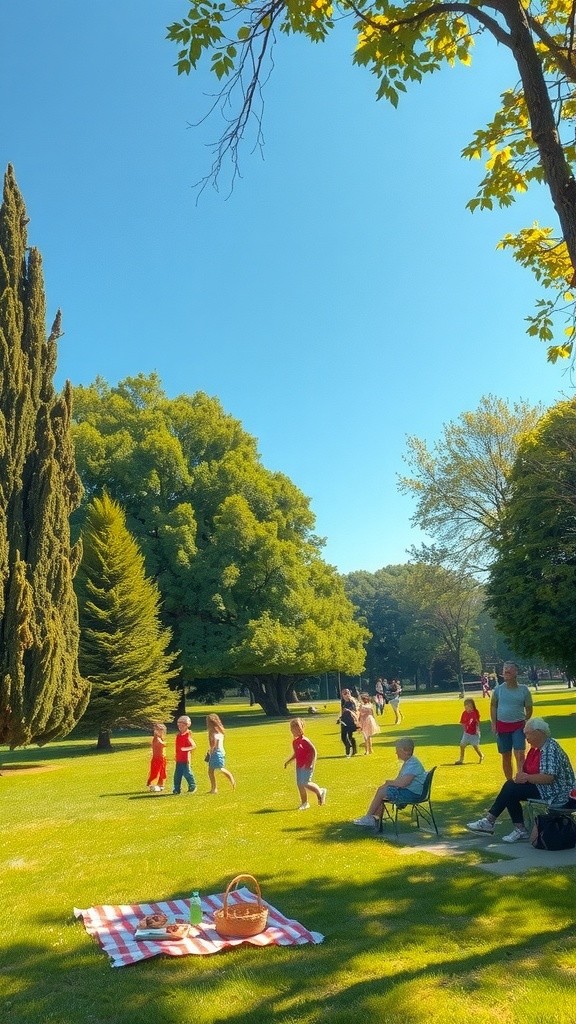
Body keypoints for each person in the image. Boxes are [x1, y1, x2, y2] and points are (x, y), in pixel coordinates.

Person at [466, 717, 575, 842]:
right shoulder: (542, 747)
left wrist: (526, 778)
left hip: (556, 793)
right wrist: (522, 777)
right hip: (548, 788)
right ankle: (509, 827)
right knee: (511, 787)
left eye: (528, 734)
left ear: (538, 733)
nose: (526, 738)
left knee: (511, 789)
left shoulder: (550, 749)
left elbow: (548, 778)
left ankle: (493, 822)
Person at [353, 737, 427, 828]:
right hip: (411, 792)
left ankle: (369, 817)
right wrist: (389, 784)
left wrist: (389, 783)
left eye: (397, 750)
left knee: (382, 791)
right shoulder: (411, 762)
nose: (396, 753)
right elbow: (402, 782)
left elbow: (403, 783)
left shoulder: (413, 764)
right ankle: (374, 819)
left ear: (405, 751)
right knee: (383, 791)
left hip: (413, 795)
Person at [491, 662, 533, 780]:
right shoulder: (498, 690)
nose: (506, 671)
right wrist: (494, 722)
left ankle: (520, 778)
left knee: (520, 754)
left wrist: (526, 721)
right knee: (506, 755)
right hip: (502, 726)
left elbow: (529, 708)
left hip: (519, 726)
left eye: (509, 668)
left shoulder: (524, 690)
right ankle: (509, 782)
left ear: (516, 672)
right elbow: (493, 706)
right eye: (505, 668)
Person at [283, 718, 327, 810]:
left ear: (301, 728)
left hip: (307, 765)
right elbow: (296, 754)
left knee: (306, 783)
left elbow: (313, 751)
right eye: (293, 729)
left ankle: (320, 791)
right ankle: (304, 803)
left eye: (297, 728)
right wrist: (288, 761)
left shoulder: (305, 740)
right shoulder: (295, 742)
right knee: (300, 784)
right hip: (299, 766)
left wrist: (311, 763)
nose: (295, 730)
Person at [206, 713, 236, 793]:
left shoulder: (213, 732)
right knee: (211, 771)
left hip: (216, 753)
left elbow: (215, 744)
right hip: (220, 752)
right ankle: (214, 789)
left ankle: (231, 780)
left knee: (220, 769)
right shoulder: (219, 730)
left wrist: (210, 751)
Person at [172, 714, 197, 795]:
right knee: (177, 775)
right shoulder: (178, 735)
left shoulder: (187, 736)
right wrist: (176, 755)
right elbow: (177, 748)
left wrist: (185, 749)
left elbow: (193, 746)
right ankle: (176, 789)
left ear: (187, 725)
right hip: (179, 759)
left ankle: (192, 786)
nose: (180, 727)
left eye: (182, 726)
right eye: (179, 726)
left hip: (185, 759)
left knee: (187, 773)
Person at [454, 698, 483, 765]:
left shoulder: (475, 712)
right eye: (466, 706)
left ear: (473, 706)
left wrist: (474, 724)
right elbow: (462, 722)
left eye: (469, 706)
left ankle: (481, 756)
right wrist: (465, 729)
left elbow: (477, 721)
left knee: (475, 746)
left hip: (474, 733)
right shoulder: (464, 713)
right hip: (467, 733)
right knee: (462, 745)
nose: (468, 707)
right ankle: (461, 760)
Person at [338, 688, 359, 757]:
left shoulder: (351, 701)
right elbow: (342, 711)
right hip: (344, 720)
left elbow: (354, 710)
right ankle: (349, 746)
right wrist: (340, 718)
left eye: (347, 693)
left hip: (350, 720)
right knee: (344, 737)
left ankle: (353, 749)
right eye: (344, 694)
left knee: (349, 736)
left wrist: (348, 710)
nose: (346, 695)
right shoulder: (343, 702)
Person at [147, 722, 167, 791]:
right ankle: (152, 785)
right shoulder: (156, 738)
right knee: (155, 772)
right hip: (157, 759)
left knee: (162, 772)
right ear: (155, 731)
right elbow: (162, 744)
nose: (160, 731)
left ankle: (160, 784)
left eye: (161, 730)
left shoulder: (160, 738)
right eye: (157, 729)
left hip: (162, 758)